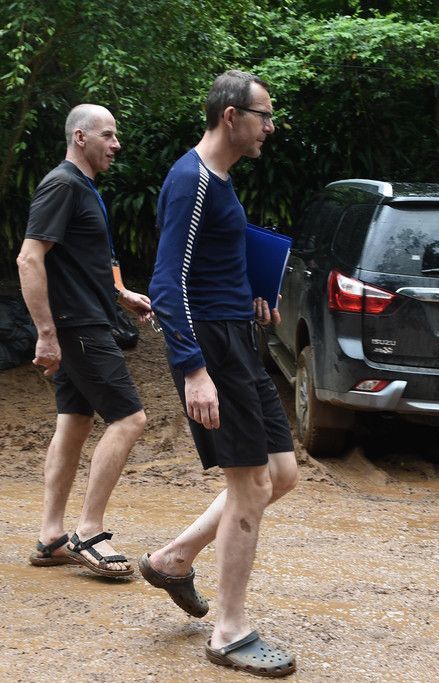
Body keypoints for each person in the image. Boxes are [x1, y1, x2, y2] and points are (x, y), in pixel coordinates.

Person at [143, 70, 298, 678]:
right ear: (231, 116)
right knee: (251, 485)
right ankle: (228, 631)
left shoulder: (220, 180)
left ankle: (174, 558)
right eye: (264, 115)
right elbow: (167, 283)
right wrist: (193, 370)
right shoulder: (191, 180)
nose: (270, 127)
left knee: (280, 474)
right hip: (211, 349)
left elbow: (209, 264)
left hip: (238, 336)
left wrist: (250, 295)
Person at [16, 104, 152, 577]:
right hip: (78, 327)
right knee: (130, 419)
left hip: (86, 319)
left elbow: (77, 263)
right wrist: (46, 334)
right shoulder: (63, 185)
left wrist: (120, 294)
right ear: (80, 137)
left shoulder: (84, 188)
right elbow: (29, 259)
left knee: (74, 422)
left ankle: (51, 536)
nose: (116, 144)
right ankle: (89, 531)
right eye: (108, 135)